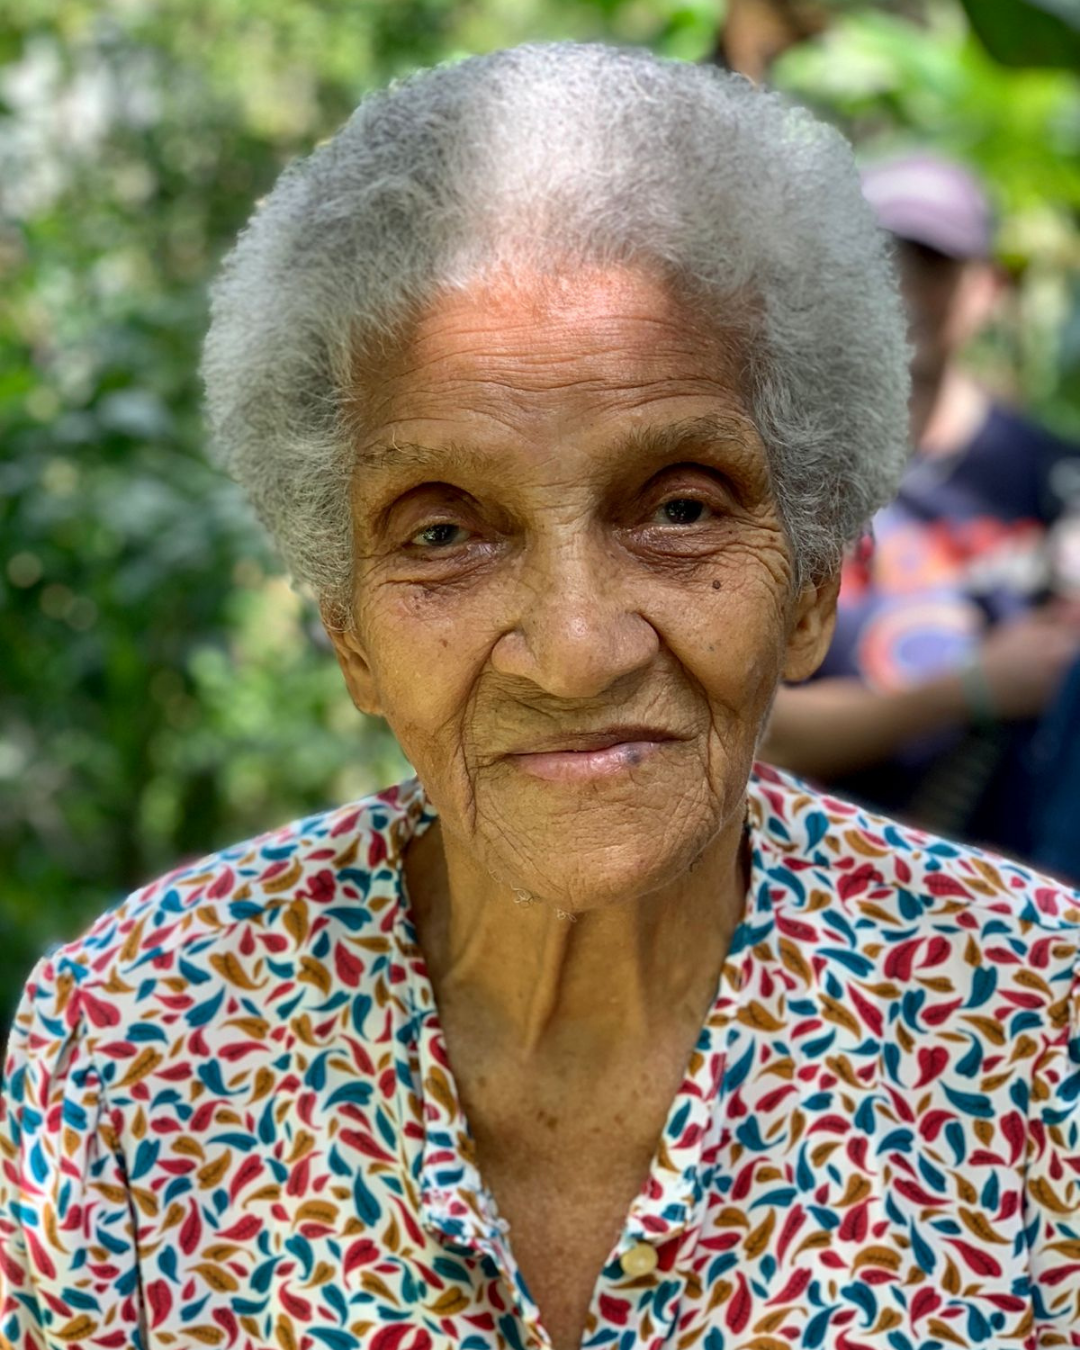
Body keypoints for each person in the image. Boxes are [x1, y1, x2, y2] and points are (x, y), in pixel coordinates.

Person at [2, 45, 1078, 1350]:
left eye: (680, 509)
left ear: (809, 588)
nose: (575, 652)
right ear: (348, 634)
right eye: (444, 533)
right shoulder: (130, 1039)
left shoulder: (1036, 1026)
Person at [763, 154, 1080, 860]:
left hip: (1014, 902)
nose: (902, 290)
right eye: (876, 264)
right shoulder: (773, 476)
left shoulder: (1058, 480)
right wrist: (974, 688)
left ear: (988, 289)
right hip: (814, 892)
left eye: (932, 266)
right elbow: (748, 733)